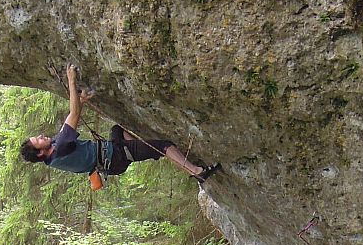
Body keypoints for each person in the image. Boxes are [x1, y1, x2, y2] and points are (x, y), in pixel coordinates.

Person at [19, 64, 219, 183]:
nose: (42, 136)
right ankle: (197, 172)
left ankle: (135, 150)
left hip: (111, 157)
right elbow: (72, 115)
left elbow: (72, 115)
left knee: (118, 128)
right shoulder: (59, 148)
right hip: (116, 156)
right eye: (38, 140)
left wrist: (80, 101)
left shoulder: (54, 154)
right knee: (164, 145)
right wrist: (71, 81)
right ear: (39, 152)